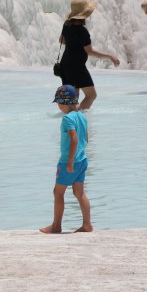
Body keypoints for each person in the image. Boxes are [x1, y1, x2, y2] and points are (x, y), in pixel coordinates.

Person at [41, 86, 92, 233]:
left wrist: (70, 161)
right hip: (82, 160)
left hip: (68, 161)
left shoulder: (67, 119)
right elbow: (86, 138)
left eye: (58, 103)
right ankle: (87, 224)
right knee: (79, 193)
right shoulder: (82, 116)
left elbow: (74, 139)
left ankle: (56, 226)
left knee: (58, 193)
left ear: (65, 103)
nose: (59, 107)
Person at [58, 0, 120, 110]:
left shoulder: (66, 25)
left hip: (65, 65)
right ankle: (78, 118)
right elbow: (90, 52)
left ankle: (72, 120)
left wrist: (73, 42)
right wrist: (110, 56)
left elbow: (61, 40)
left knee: (73, 100)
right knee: (91, 95)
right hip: (77, 67)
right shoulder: (82, 31)